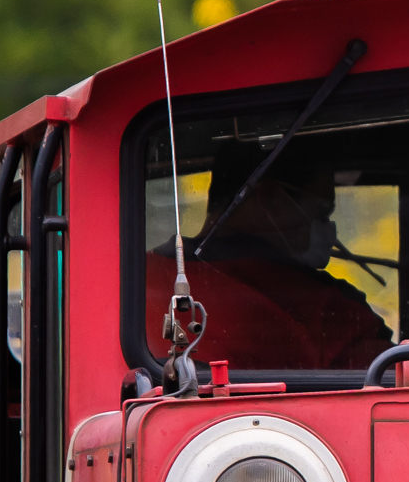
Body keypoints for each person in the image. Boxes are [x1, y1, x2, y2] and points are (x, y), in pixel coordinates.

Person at [146, 143, 394, 371]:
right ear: (270, 200)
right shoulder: (328, 309)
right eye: (319, 212)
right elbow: (391, 386)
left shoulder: (135, 280)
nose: (327, 230)